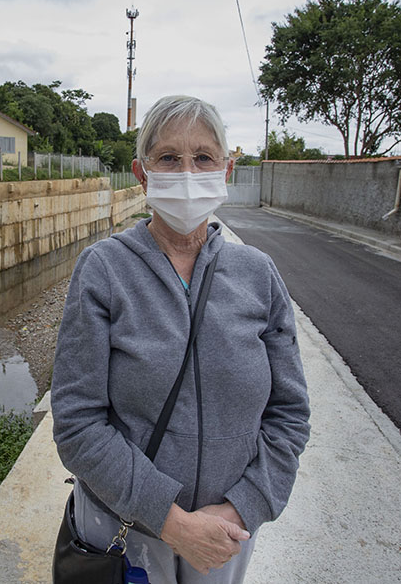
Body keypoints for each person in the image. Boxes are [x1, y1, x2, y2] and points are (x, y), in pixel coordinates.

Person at [51, 95, 311, 583]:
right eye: (169, 157)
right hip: (123, 532)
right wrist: (171, 522)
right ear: (141, 173)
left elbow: (289, 414)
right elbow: (76, 422)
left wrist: (240, 510)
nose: (187, 172)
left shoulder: (259, 274)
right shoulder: (104, 270)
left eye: (204, 158)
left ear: (226, 169)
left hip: (223, 537)